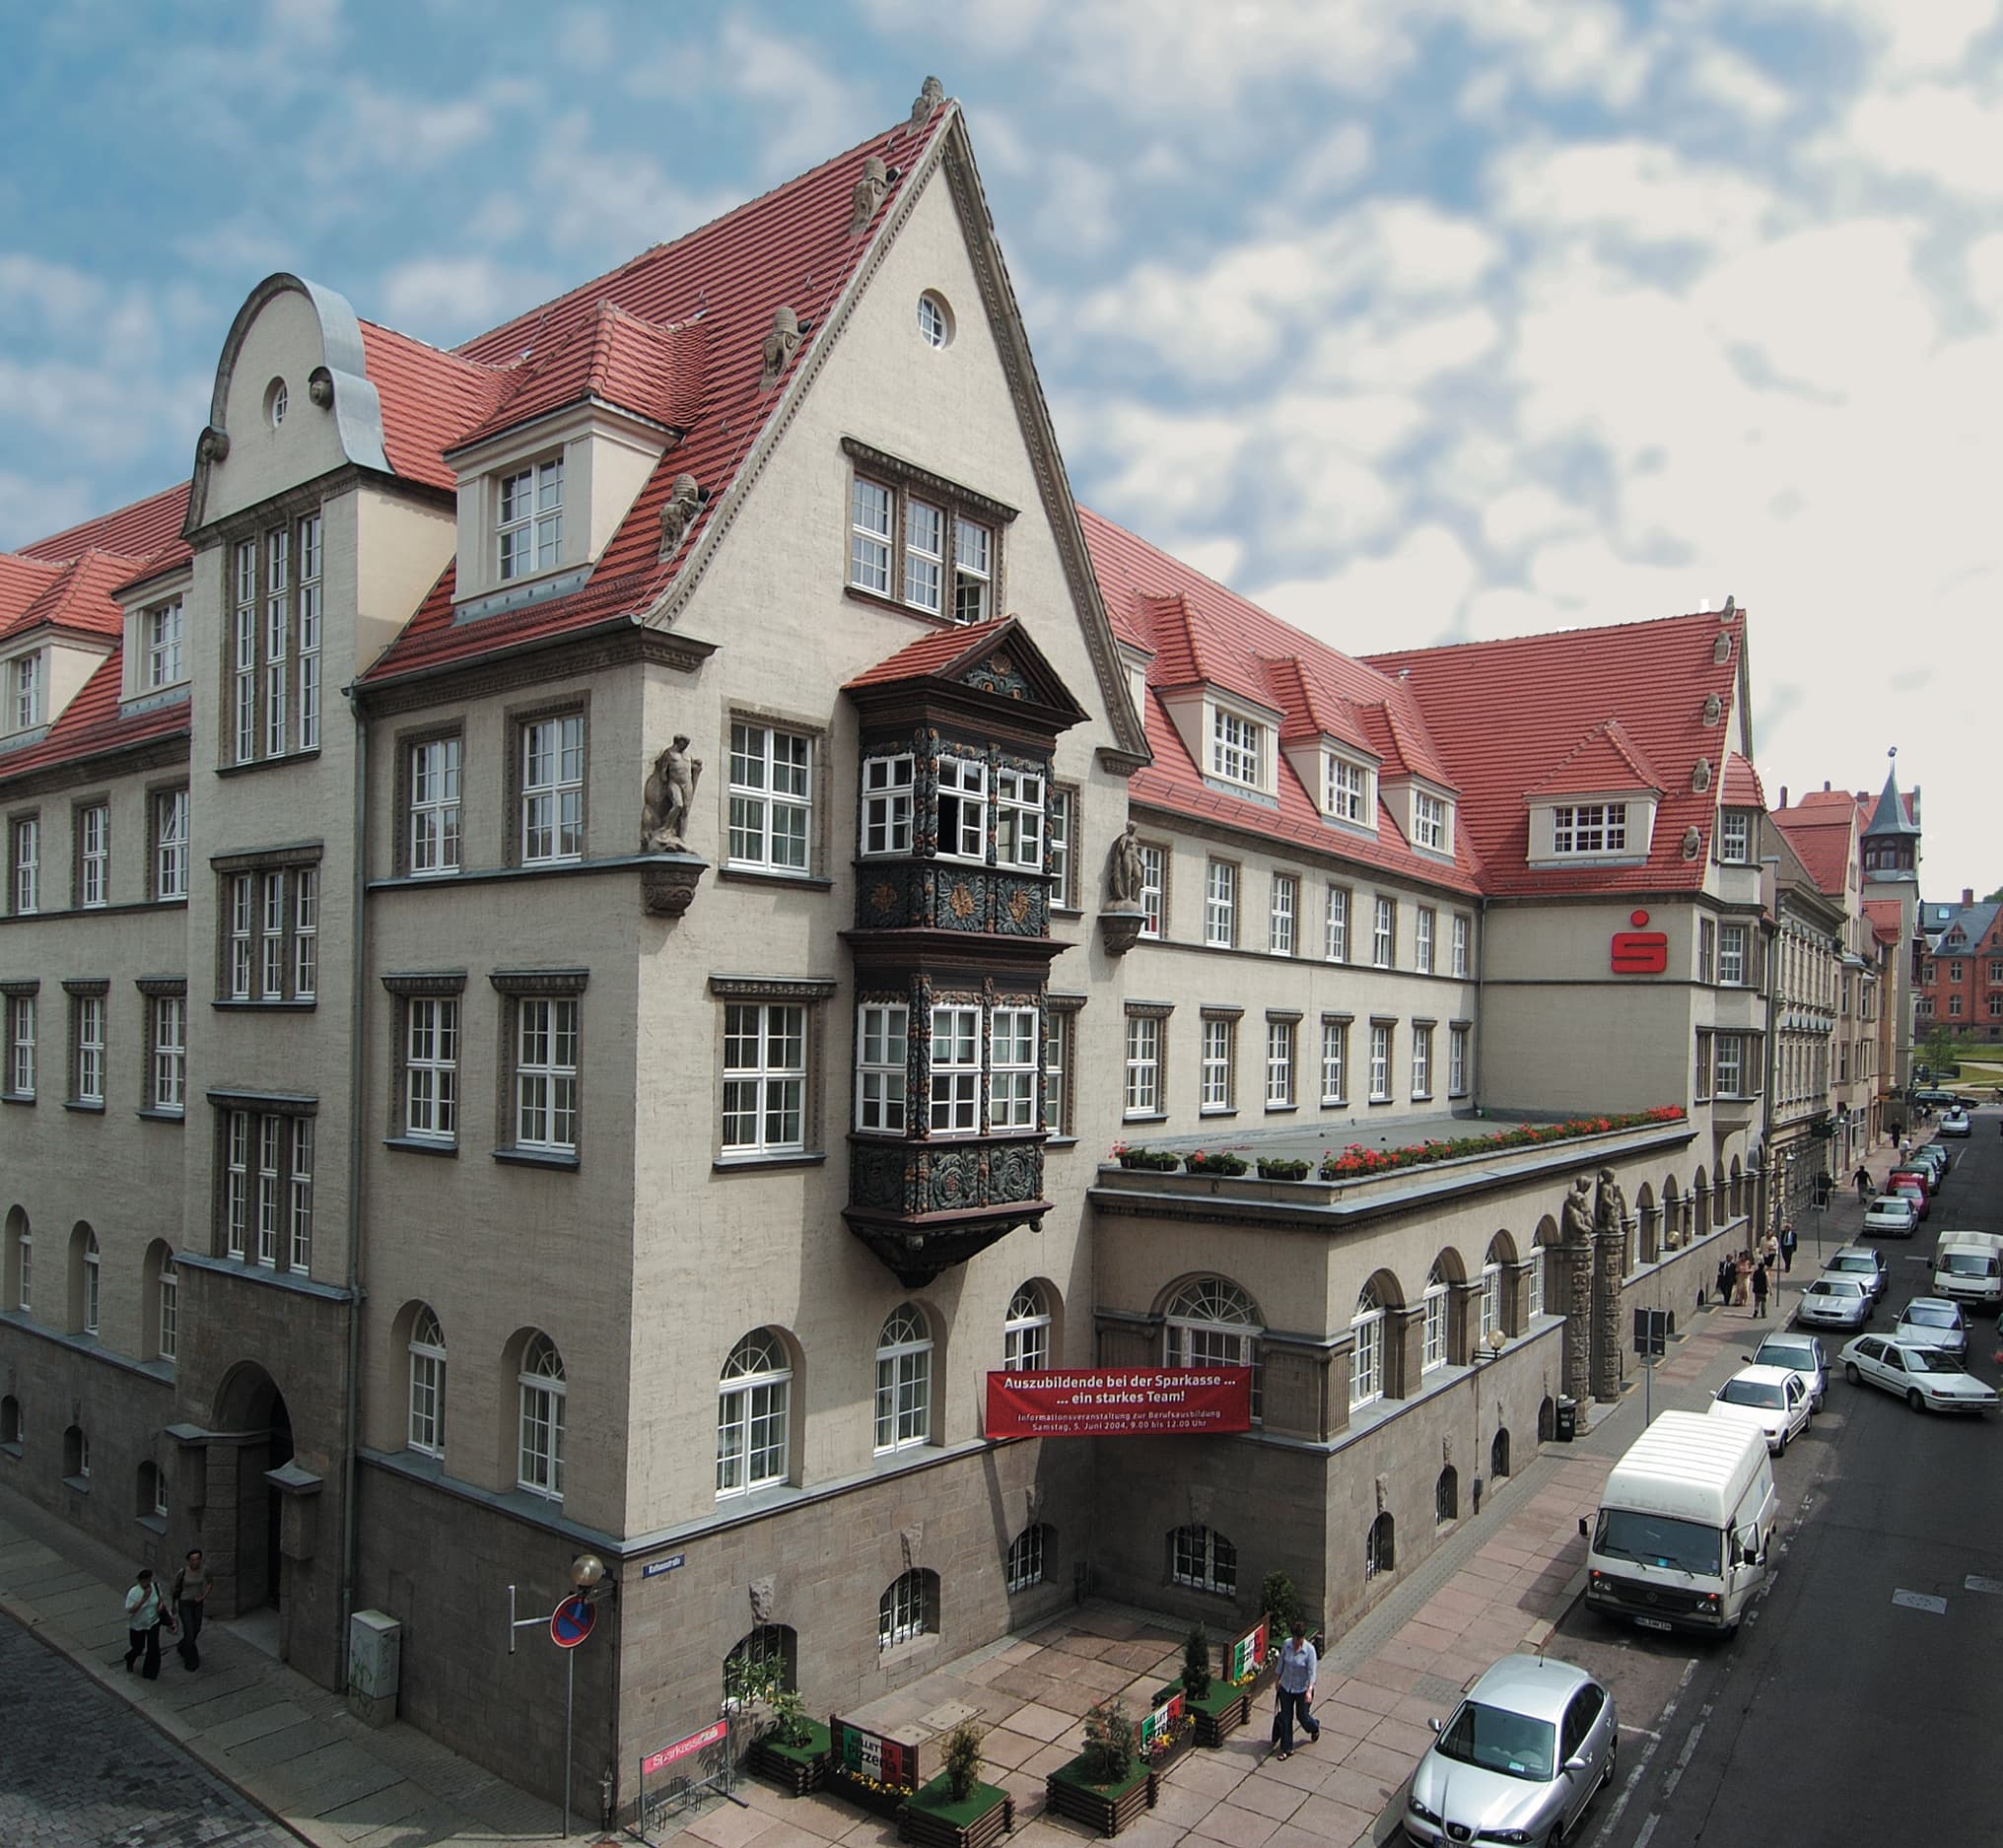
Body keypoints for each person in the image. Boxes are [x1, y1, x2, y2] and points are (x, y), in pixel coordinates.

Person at [1271, 1619, 1321, 1760]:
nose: (1296, 1641)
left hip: (1302, 1689)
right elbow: (1281, 1663)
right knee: (1286, 1718)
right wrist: (1277, 1680)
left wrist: (1309, 1690)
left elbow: (1312, 1673)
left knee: (1302, 1717)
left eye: (1299, 1638)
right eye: (1295, 1637)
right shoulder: (1287, 1645)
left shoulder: (1309, 1651)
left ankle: (1314, 1727)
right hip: (1287, 1687)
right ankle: (1286, 1748)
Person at [122, 1566, 168, 1678]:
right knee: (138, 1647)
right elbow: (130, 1610)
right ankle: (130, 1658)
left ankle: (150, 1672)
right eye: (144, 1581)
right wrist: (143, 1598)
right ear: (140, 1580)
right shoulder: (134, 1592)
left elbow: (160, 1599)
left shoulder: (155, 1587)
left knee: (154, 1647)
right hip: (138, 1625)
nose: (147, 1583)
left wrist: (160, 1607)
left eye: (148, 1580)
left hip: (153, 1622)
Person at [172, 1547, 210, 1671]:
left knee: (196, 1629)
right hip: (185, 1603)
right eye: (193, 1559)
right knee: (189, 1630)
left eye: (198, 1559)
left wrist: (204, 1595)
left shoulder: (204, 1570)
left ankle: (183, 1646)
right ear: (189, 1561)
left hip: (197, 1603)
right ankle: (191, 1660)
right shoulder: (183, 1572)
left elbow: (210, 1582)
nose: (196, 1562)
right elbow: (176, 1589)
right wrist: (174, 1606)